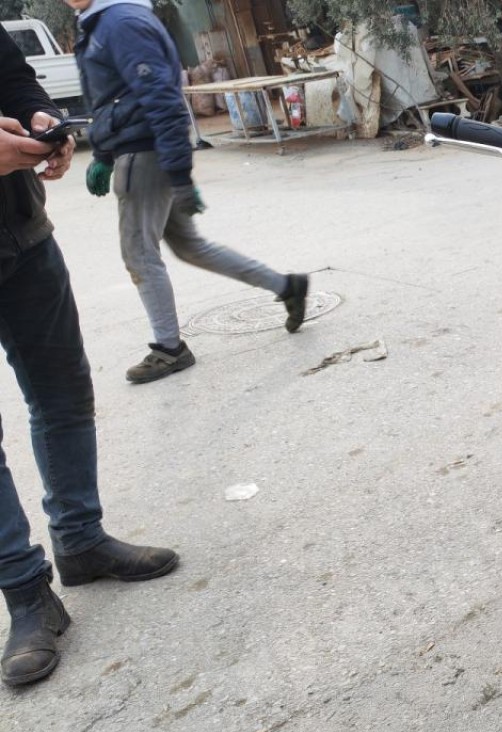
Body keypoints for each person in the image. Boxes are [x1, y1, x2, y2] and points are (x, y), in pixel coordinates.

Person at [1, 27, 179, 687]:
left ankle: (80, 541)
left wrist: (40, 121)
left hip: (22, 237)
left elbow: (13, 77)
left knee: (63, 395)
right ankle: (25, 593)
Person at [67, 0, 311, 384]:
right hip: (141, 147)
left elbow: (161, 97)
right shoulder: (100, 22)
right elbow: (113, 96)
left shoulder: (121, 22)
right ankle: (286, 286)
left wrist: (180, 175)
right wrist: (101, 152)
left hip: (145, 153)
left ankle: (170, 350)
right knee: (190, 247)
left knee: (139, 254)